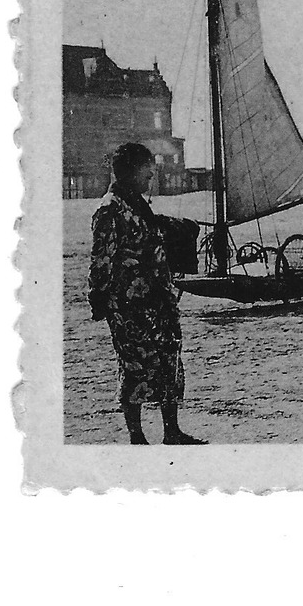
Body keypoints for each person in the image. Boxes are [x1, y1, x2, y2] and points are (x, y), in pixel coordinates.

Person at [88, 143, 205, 445]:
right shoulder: (109, 209)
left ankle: (172, 431)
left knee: (169, 361)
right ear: (128, 172)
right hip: (128, 306)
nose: (151, 177)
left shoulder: (138, 204)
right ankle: (136, 436)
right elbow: (101, 261)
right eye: (146, 172)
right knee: (135, 366)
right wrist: (100, 299)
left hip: (158, 301)